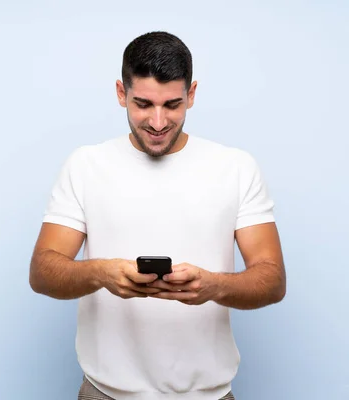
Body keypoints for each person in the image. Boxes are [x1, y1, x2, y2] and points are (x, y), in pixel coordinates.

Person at [29, 31, 286, 400]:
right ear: (121, 93)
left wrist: (214, 285)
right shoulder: (85, 165)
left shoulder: (236, 167)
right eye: (143, 104)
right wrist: (101, 273)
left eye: (172, 104)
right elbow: (42, 272)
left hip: (209, 395)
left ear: (192, 95)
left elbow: (273, 279)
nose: (158, 121)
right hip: (105, 392)